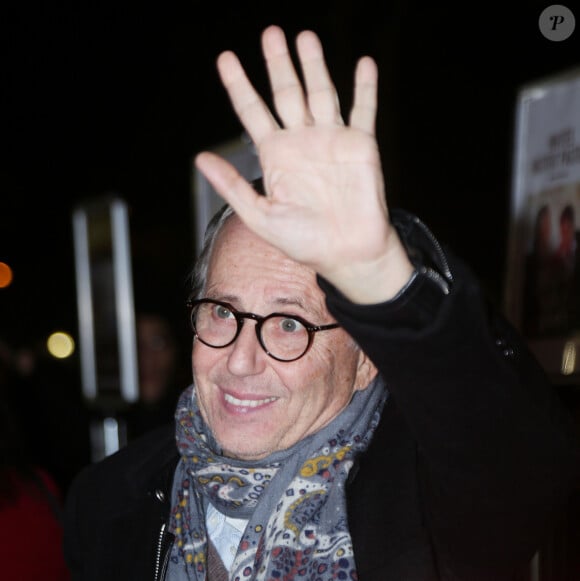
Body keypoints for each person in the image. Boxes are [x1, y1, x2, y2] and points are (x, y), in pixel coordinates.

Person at [63, 25, 580, 580]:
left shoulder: (429, 499)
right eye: (221, 312)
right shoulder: (108, 507)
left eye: (288, 323)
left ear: (366, 358)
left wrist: (383, 280)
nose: (239, 360)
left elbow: (522, 466)